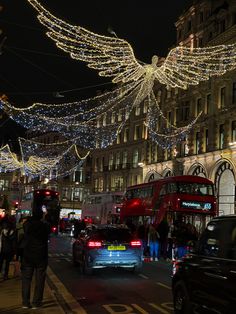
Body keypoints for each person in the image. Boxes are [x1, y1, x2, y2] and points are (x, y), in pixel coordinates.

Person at [21, 210, 50, 309]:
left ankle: (25, 302)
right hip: (41, 257)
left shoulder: (27, 225)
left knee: (26, 280)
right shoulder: (44, 226)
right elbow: (48, 230)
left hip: (28, 256)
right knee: (40, 280)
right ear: (41, 216)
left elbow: (25, 227)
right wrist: (44, 219)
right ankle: (36, 302)